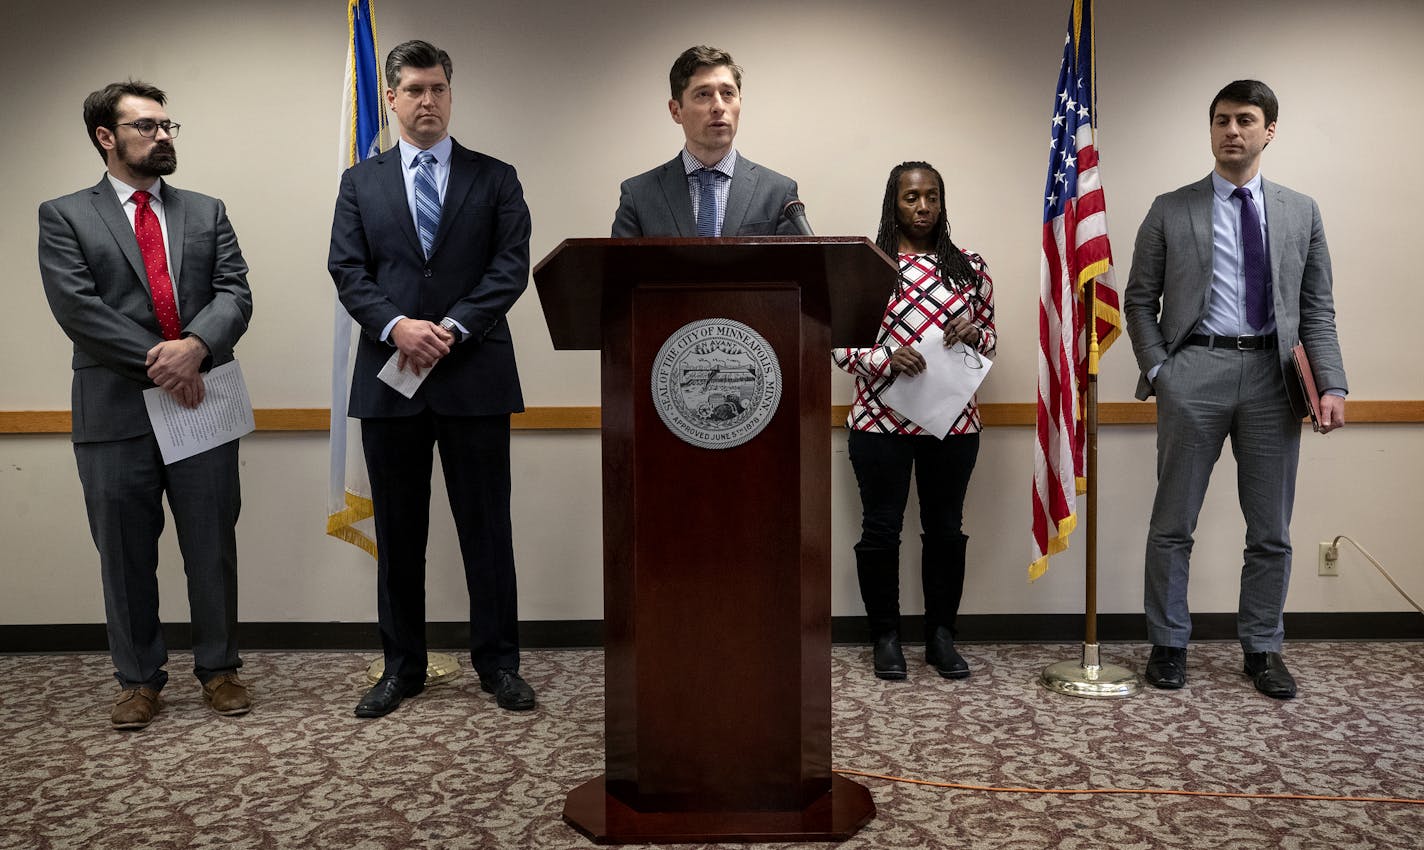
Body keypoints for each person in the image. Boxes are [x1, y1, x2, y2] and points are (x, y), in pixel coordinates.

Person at [38, 81, 254, 729]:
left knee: (211, 543)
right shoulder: (65, 214)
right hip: (114, 410)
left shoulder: (207, 211)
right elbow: (79, 310)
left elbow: (235, 294)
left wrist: (195, 347)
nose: (163, 136)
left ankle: (220, 670)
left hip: (203, 400)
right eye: (146, 127)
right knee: (125, 551)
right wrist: (165, 362)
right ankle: (138, 680)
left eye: (167, 125)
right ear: (106, 137)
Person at [328, 40, 535, 716]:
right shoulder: (361, 183)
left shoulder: (495, 176)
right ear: (390, 98)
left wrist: (450, 326)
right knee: (400, 536)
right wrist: (397, 327)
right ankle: (402, 668)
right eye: (414, 89)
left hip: (473, 375)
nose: (427, 101)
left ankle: (499, 666)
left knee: (487, 532)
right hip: (392, 382)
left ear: (452, 94)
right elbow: (348, 272)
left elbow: (509, 266)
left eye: (438, 88)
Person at [1124, 80, 1347, 699]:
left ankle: (1263, 649)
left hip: (1274, 381)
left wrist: (1331, 382)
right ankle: (1168, 644)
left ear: (1268, 131)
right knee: (1174, 522)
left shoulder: (1301, 211)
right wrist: (1163, 371)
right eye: (1221, 120)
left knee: (1271, 529)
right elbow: (1139, 300)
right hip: (1194, 372)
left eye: (1245, 120)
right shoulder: (1171, 208)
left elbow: (1317, 308)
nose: (1232, 131)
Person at [833, 161, 995, 681]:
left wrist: (974, 334)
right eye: (910, 197)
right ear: (893, 202)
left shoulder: (969, 267)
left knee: (945, 530)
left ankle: (941, 637)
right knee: (880, 530)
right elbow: (836, 343)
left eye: (931, 197)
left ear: (942, 203)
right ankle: (885, 637)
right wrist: (886, 358)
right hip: (879, 425)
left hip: (952, 423)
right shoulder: (867, 266)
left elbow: (991, 340)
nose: (922, 207)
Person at [612, 45, 802, 237]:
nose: (719, 107)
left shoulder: (778, 193)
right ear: (675, 111)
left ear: (740, 104)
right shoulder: (638, 196)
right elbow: (620, 267)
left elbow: (798, 266)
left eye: (728, 93)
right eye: (703, 94)